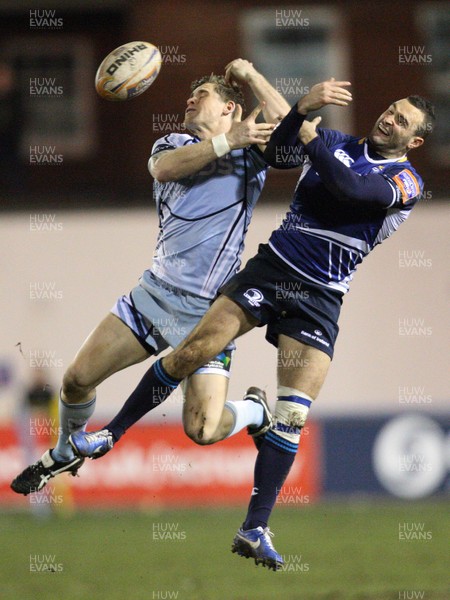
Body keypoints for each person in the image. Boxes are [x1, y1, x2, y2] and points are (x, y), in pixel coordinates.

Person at [55, 78, 433, 571]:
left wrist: (305, 130)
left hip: (321, 297)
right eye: (390, 108)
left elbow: (352, 188)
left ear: (415, 141)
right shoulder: (336, 142)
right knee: (191, 351)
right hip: (272, 269)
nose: (389, 119)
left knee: (293, 414)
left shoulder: (407, 182)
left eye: (402, 120)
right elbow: (280, 150)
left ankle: (254, 527)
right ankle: (110, 435)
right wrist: (300, 111)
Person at [10, 59, 290, 495]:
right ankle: (66, 451)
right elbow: (164, 169)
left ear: (231, 108)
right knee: (76, 379)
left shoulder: (252, 153)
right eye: (190, 95)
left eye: (203, 95)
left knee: (203, 430)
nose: (190, 99)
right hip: (154, 295)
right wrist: (227, 139)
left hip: (210, 313)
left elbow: (292, 129)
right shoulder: (172, 143)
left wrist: (253, 76)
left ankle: (255, 411)